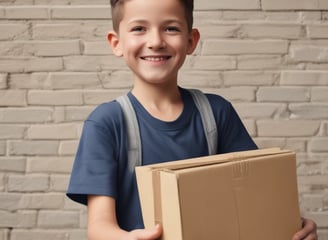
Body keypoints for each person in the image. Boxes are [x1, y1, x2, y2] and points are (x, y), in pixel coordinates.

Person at [67, 0, 318, 239]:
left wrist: (292, 224)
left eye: (171, 28)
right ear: (116, 43)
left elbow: (254, 196)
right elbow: (99, 227)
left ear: (191, 41)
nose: (155, 41)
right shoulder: (106, 123)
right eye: (139, 29)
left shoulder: (217, 113)